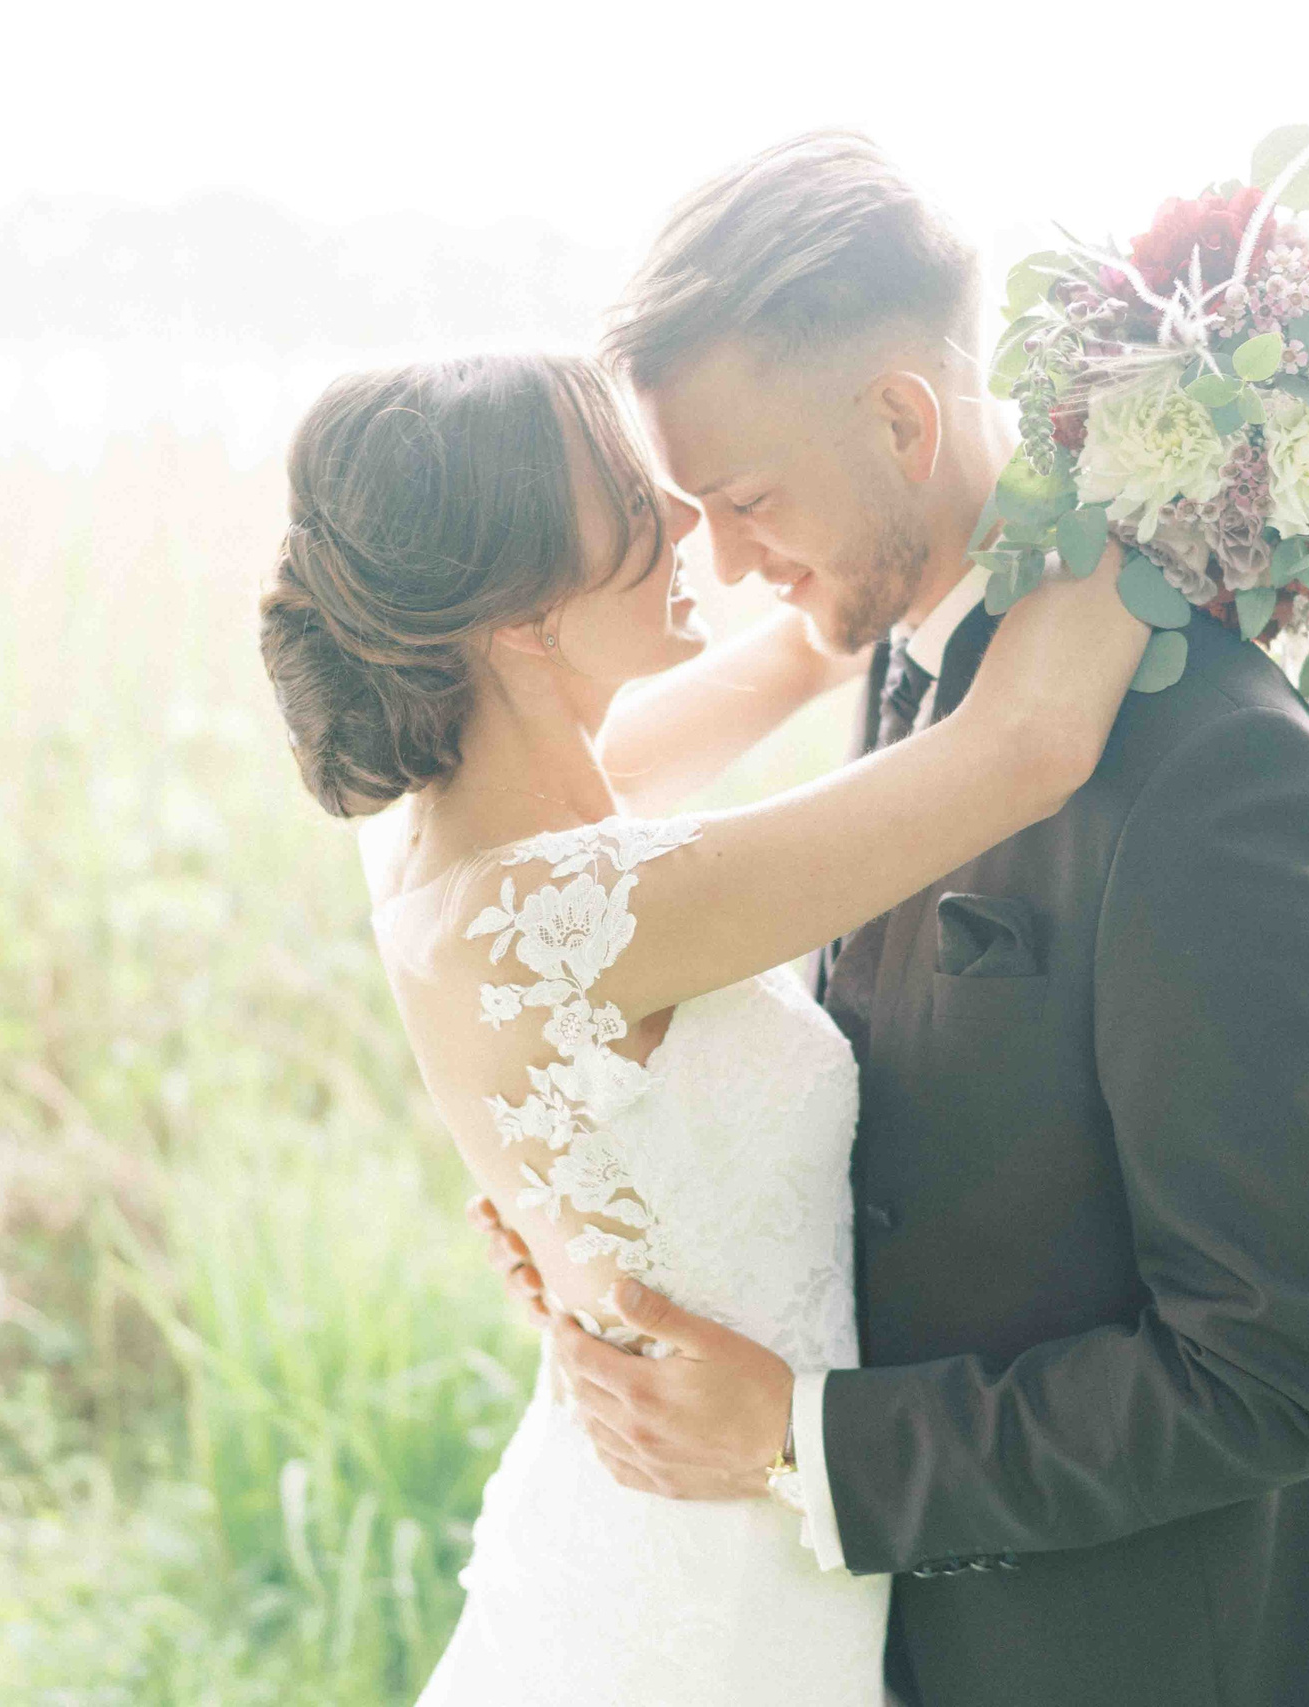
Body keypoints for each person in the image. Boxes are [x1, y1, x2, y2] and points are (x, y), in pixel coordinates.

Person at [472, 131, 1309, 1705]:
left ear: (904, 418)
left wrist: (798, 1433)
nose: (727, 566)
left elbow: (1269, 1372)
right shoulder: (904, 656)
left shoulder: (1221, 780)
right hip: (877, 1632)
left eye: (745, 498)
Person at [258, 348, 1151, 1706]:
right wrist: (1180, 453)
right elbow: (1027, 745)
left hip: (691, 1530)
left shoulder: (482, 813)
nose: (688, 521)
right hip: (701, 1601)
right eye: (629, 499)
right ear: (520, 621)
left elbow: (810, 642)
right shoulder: (562, 911)